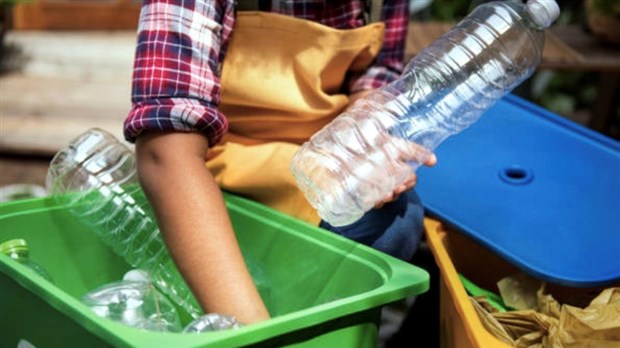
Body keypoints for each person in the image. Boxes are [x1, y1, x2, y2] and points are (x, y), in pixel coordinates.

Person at [123, 0, 436, 325]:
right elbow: (165, 152)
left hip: (315, 164)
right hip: (215, 171)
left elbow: (373, 79)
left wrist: (368, 145)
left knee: (395, 219)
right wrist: (252, 331)